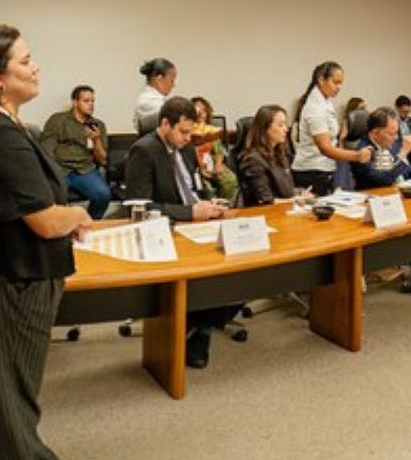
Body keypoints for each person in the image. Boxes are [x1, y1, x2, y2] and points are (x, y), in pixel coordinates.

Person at [0, 25, 100, 460]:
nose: (36, 67)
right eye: (25, 61)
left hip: (3, 271)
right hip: (10, 276)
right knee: (14, 378)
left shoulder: (10, 126)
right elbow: (43, 219)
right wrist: (78, 212)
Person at [124, 97, 236, 368]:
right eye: (183, 132)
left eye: (191, 132)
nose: (188, 138)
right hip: (168, 229)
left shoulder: (185, 149)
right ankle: (201, 330)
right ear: (165, 124)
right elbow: (139, 207)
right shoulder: (144, 151)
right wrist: (190, 213)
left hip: (199, 223)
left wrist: (210, 201)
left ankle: (197, 324)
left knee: (243, 263)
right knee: (213, 271)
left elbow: (195, 186)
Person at [350, 107, 411, 301]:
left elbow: (404, 168)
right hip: (375, 206)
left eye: (397, 133)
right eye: (392, 133)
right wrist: (404, 152)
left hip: (399, 197)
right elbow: (383, 179)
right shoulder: (363, 150)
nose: (396, 138)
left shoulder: (390, 144)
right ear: (375, 133)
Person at [291, 61, 372, 195]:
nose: (339, 87)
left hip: (327, 167)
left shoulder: (325, 100)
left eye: (341, 83)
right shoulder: (314, 108)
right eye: (335, 82)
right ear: (321, 79)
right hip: (313, 171)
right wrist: (356, 156)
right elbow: (325, 148)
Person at [40, 85, 111, 219]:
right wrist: (51, 172)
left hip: (85, 170)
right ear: (75, 102)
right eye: (86, 101)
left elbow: (102, 159)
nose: (91, 104)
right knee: (52, 196)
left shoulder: (98, 125)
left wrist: (96, 140)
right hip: (61, 168)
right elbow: (46, 150)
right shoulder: (58, 120)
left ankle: (89, 223)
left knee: (103, 194)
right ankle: (61, 229)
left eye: (92, 101)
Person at [237, 104, 295, 205]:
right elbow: (265, 201)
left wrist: (301, 194)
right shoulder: (252, 160)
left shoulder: (279, 154)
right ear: (265, 128)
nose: (286, 129)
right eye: (280, 125)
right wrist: (297, 200)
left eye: (285, 124)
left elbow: (287, 191)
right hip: (265, 214)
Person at [191, 96, 238, 202]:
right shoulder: (187, 131)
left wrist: (218, 165)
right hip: (196, 167)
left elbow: (219, 150)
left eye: (204, 110)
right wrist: (202, 169)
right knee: (206, 188)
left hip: (212, 162)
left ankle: (223, 204)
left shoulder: (211, 130)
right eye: (198, 110)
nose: (201, 113)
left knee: (230, 180)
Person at [133, 57, 176, 132]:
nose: (174, 84)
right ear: (159, 79)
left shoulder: (157, 99)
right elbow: (173, 116)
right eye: (172, 80)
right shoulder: (147, 101)